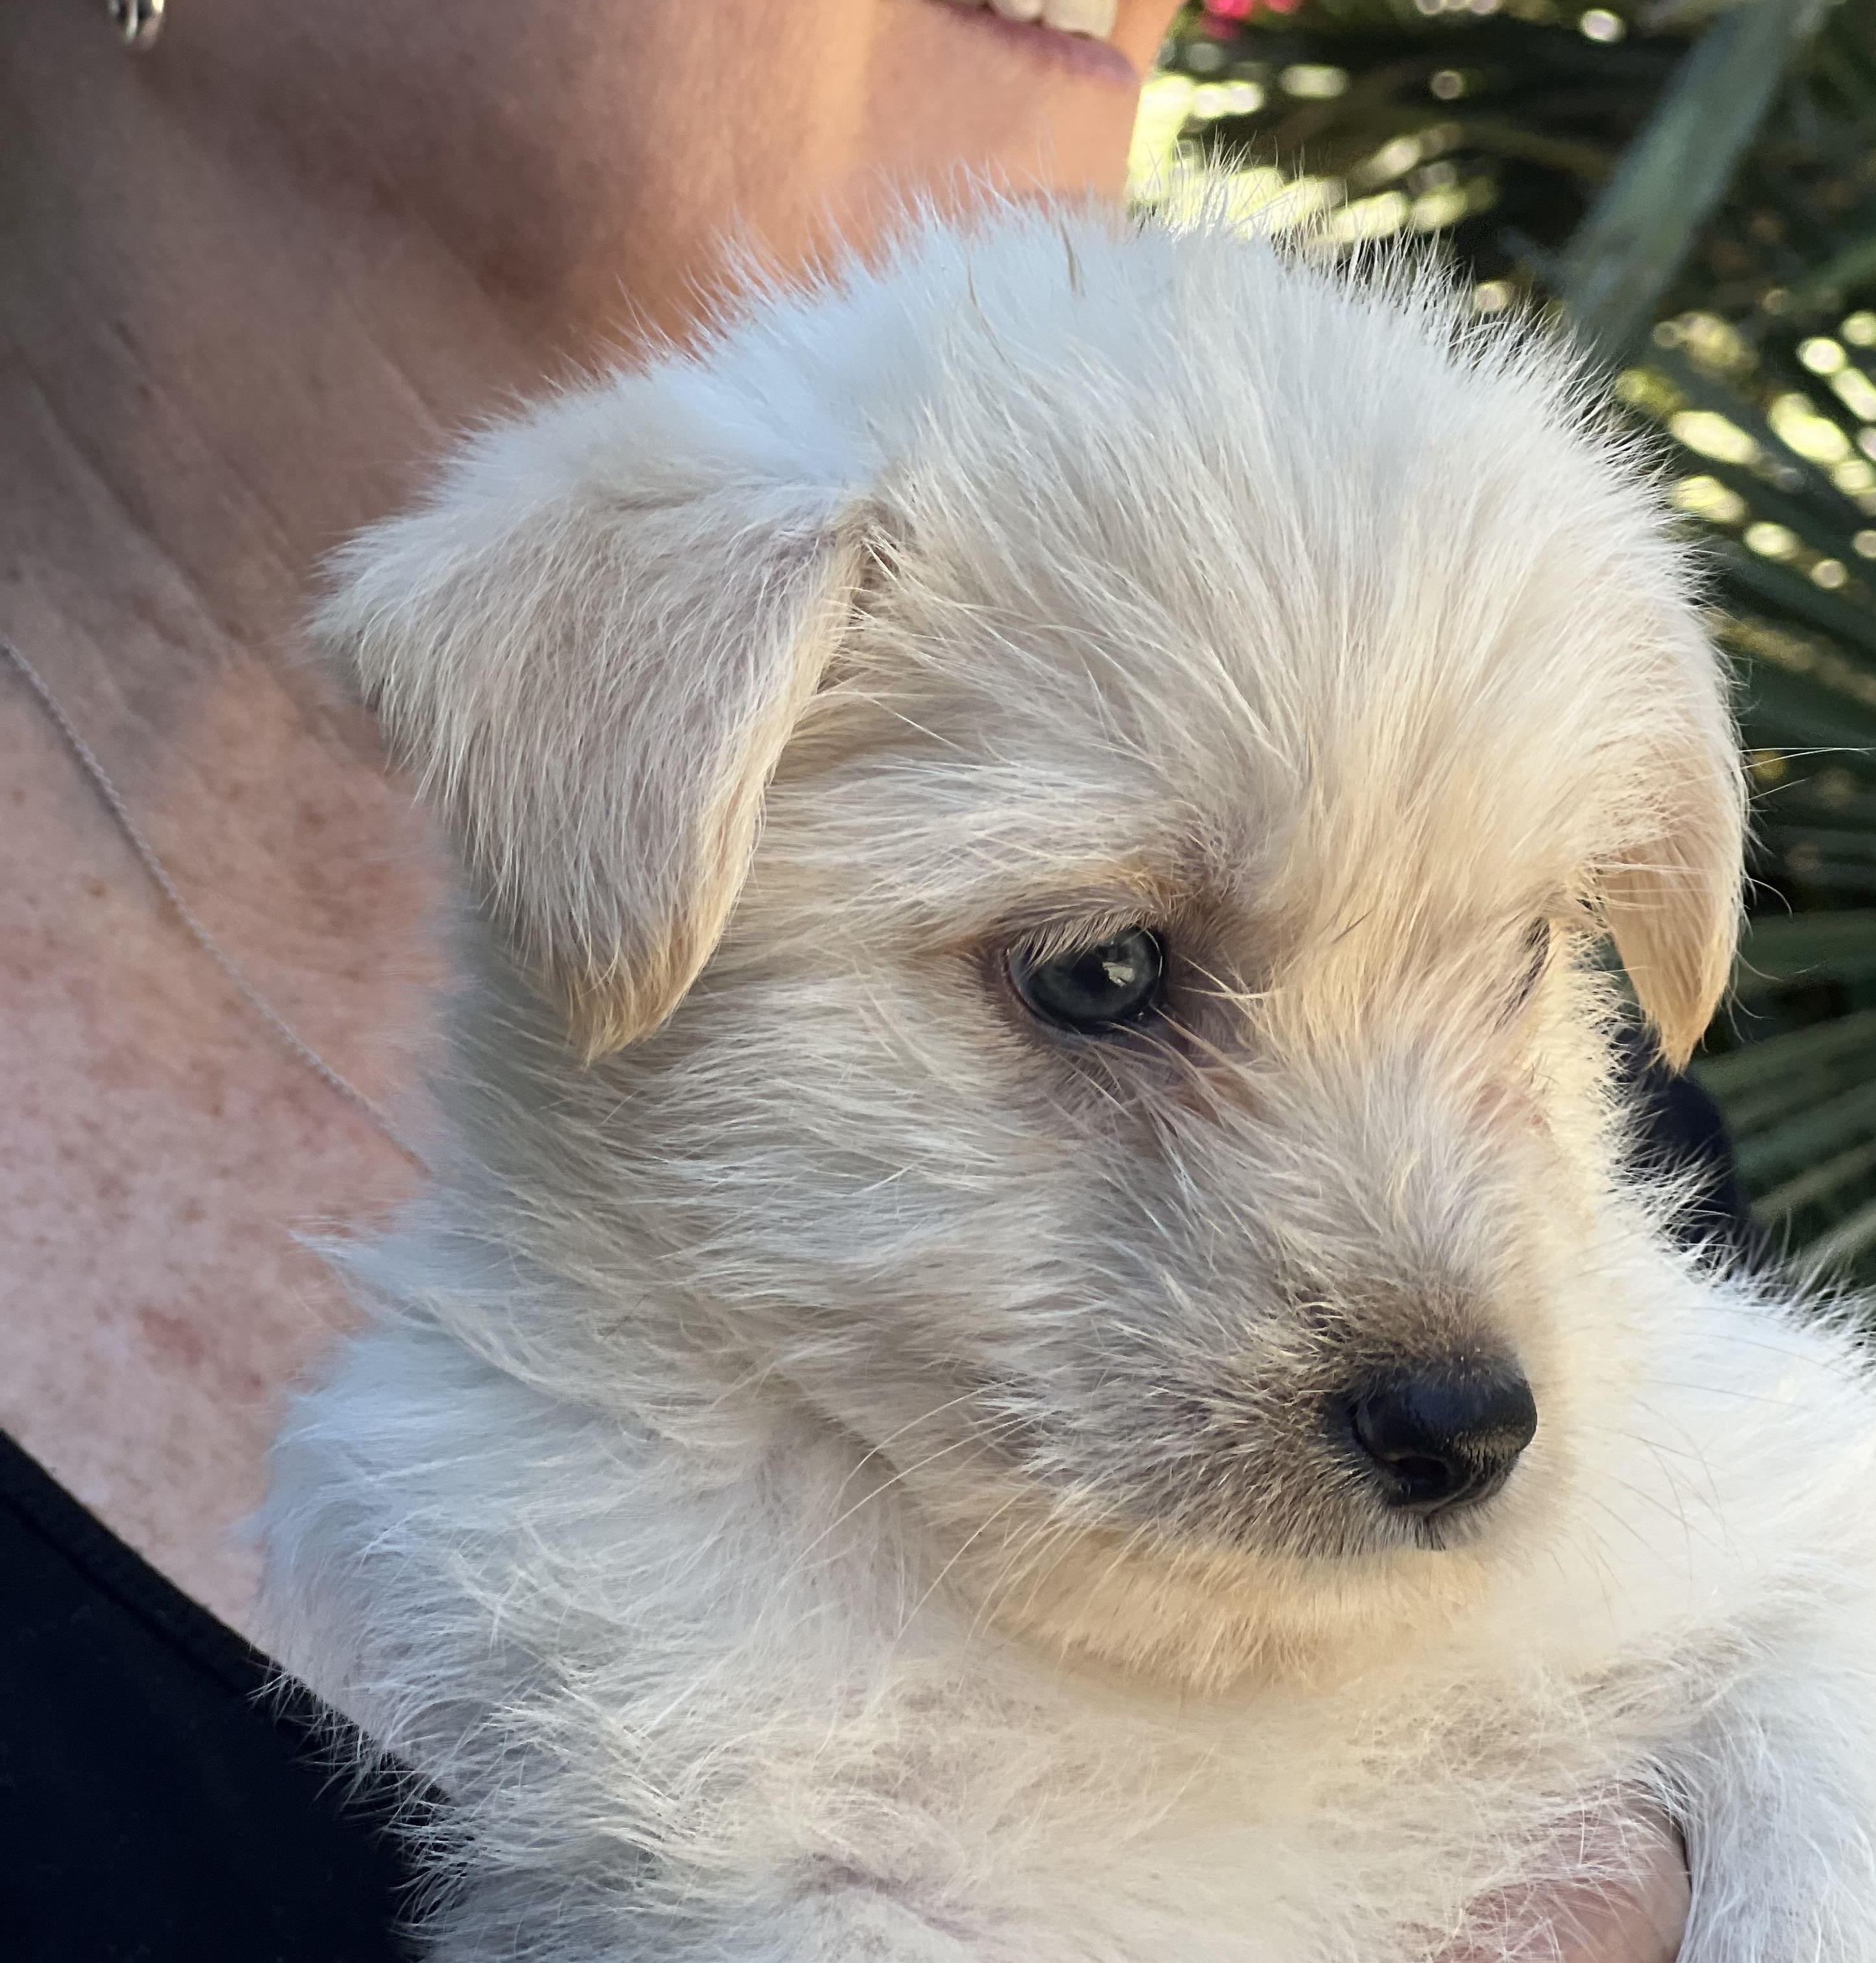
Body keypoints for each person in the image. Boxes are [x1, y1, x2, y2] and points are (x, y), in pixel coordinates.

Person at [0, 2, 1690, 1956]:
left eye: (1515, 965)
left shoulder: (1586, 1248)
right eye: (1102, 976)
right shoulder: (738, 576)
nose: (1444, 1336)